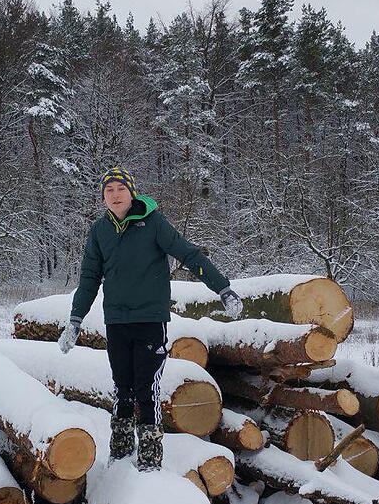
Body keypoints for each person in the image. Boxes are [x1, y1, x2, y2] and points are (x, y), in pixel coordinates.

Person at [58, 167, 243, 471]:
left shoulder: (153, 223)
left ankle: (150, 458)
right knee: (121, 386)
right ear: (103, 197)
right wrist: (75, 320)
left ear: (131, 192)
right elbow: (89, 277)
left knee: (146, 388)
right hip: (116, 321)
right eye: (109, 191)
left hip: (149, 321)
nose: (115, 195)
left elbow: (189, 255)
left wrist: (223, 288)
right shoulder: (99, 231)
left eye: (120, 189)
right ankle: (119, 454)